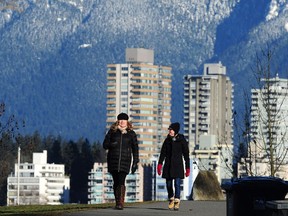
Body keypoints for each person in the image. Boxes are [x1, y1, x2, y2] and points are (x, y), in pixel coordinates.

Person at [103, 113, 139, 210]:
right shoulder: (112, 132)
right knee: (115, 182)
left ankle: (120, 203)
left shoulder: (131, 134)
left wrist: (136, 162)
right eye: (120, 120)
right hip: (113, 160)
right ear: (118, 121)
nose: (122, 122)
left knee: (121, 181)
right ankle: (117, 201)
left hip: (125, 161)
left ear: (127, 121)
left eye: (124, 120)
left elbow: (135, 148)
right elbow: (105, 145)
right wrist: (112, 144)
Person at [157, 122, 190, 211]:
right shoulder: (167, 140)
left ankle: (177, 201)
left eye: (171, 130)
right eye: (169, 130)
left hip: (178, 166)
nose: (170, 131)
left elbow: (186, 155)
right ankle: (171, 198)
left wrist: (187, 167)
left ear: (175, 131)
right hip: (168, 165)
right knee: (168, 184)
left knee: (177, 184)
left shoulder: (182, 140)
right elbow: (162, 153)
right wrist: (160, 164)